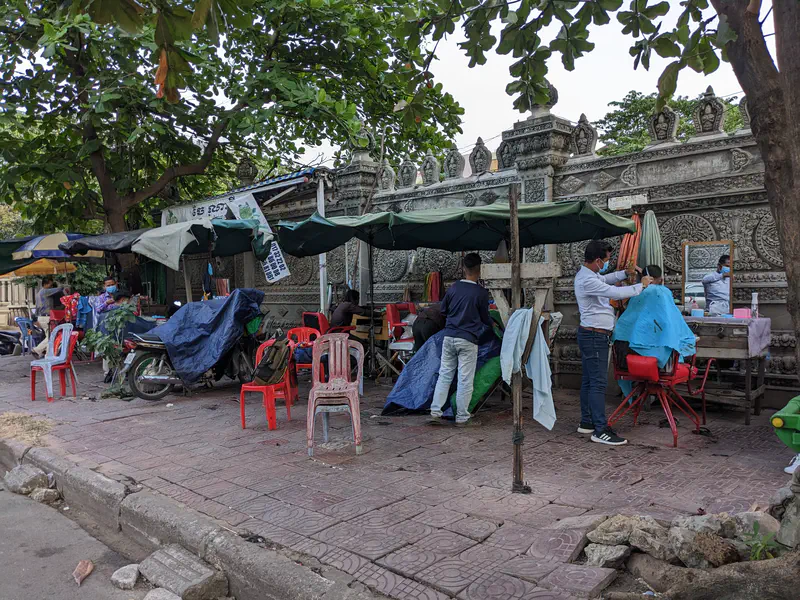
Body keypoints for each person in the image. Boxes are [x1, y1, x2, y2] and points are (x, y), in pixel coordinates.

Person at [575, 240, 653, 446]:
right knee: (598, 383)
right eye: (607, 260)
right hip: (594, 336)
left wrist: (624, 274)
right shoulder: (587, 280)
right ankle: (600, 430)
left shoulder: (590, 275)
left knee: (589, 381)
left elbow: (606, 278)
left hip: (592, 334)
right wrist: (641, 286)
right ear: (598, 260)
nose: (608, 264)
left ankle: (587, 422)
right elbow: (615, 293)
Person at [429, 253, 493, 426]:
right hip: (468, 339)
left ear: (464, 268)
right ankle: (462, 416)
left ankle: (435, 411)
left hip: (449, 336)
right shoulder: (481, 293)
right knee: (465, 379)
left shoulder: (454, 288)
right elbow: (485, 318)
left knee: (445, 374)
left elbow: (443, 311)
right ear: (480, 270)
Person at [32, 277, 66, 357]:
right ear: (45, 284)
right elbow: (60, 288)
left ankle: (48, 354)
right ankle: (37, 350)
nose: (51, 286)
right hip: (46, 318)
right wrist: (58, 282)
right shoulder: (45, 291)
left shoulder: (38, 293)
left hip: (41, 317)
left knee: (50, 336)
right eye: (50, 284)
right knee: (51, 337)